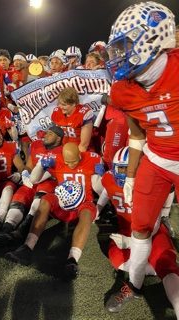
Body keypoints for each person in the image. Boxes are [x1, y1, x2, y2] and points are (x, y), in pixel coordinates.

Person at [105, 1, 179, 312]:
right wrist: (132, 175)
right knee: (140, 227)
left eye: (125, 46)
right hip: (156, 159)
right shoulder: (122, 90)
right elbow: (136, 134)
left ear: (152, 38)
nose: (119, 56)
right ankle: (133, 283)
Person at [96, 147, 179, 317]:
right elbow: (106, 192)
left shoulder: (150, 184)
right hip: (126, 230)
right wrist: (97, 207)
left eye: (130, 168)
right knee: (116, 258)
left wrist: (129, 242)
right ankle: (145, 275)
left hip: (152, 233)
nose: (125, 173)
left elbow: (152, 225)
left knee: (167, 268)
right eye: (121, 168)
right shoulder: (109, 179)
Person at [5, 142, 103, 280]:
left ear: (80, 155)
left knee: (87, 213)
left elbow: (100, 190)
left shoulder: (92, 159)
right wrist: (41, 165)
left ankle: (72, 260)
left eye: (74, 161)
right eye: (67, 162)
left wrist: (99, 177)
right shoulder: (56, 160)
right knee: (45, 199)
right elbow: (34, 179)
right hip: (62, 202)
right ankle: (27, 247)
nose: (70, 165)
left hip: (83, 204)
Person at [0, 124, 64, 246]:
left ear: (58, 138)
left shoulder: (63, 151)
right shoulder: (36, 145)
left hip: (49, 182)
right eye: (46, 132)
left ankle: (20, 231)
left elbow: (57, 174)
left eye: (50, 134)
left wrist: (35, 178)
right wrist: (24, 173)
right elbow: (29, 165)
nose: (46, 135)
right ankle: (5, 231)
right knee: (20, 197)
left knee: (41, 194)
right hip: (32, 181)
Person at [51, 86, 94, 152]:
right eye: (59, 104)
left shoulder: (83, 114)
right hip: (62, 149)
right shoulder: (57, 112)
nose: (60, 107)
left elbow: (84, 145)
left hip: (78, 151)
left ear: (74, 104)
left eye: (64, 105)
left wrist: (73, 158)